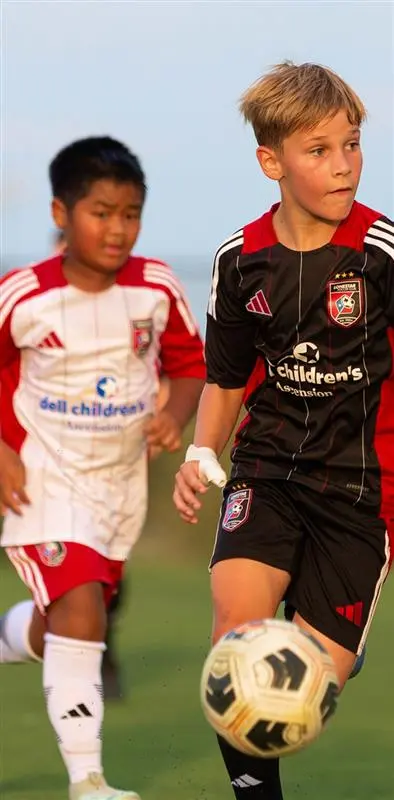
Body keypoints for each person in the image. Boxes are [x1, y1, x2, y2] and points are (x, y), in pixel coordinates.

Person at [173, 61, 394, 799]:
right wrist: (201, 451)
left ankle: (332, 640)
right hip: (266, 470)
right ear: (272, 162)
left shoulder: (381, 255)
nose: (344, 165)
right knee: (236, 650)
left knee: (312, 684)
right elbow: (227, 377)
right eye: (319, 150)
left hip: (361, 493)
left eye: (352, 145)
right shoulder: (240, 263)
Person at [0, 135, 205, 800]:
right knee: (82, 610)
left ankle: (7, 634)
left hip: (118, 489)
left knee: (64, 622)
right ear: (61, 213)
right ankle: (88, 781)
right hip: (42, 482)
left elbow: (190, 365)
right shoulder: (24, 294)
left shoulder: (156, 288)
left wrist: (176, 413)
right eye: (101, 213)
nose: (117, 229)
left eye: (131, 214)